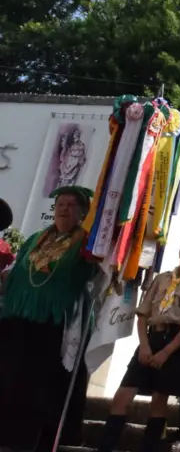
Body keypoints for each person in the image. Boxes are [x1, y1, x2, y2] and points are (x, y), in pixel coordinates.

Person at [0, 185, 99, 452]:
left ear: (82, 212)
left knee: (44, 385)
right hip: (21, 318)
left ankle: (41, 439)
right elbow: (19, 272)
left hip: (56, 321)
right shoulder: (36, 238)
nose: (64, 209)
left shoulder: (86, 243)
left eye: (71, 205)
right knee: (13, 376)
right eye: (60, 204)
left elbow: (96, 273)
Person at [98, 236, 180, 452]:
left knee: (159, 400)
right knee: (123, 395)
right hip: (151, 339)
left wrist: (167, 352)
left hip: (175, 343)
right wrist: (144, 345)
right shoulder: (162, 279)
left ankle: (149, 447)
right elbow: (143, 314)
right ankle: (106, 446)